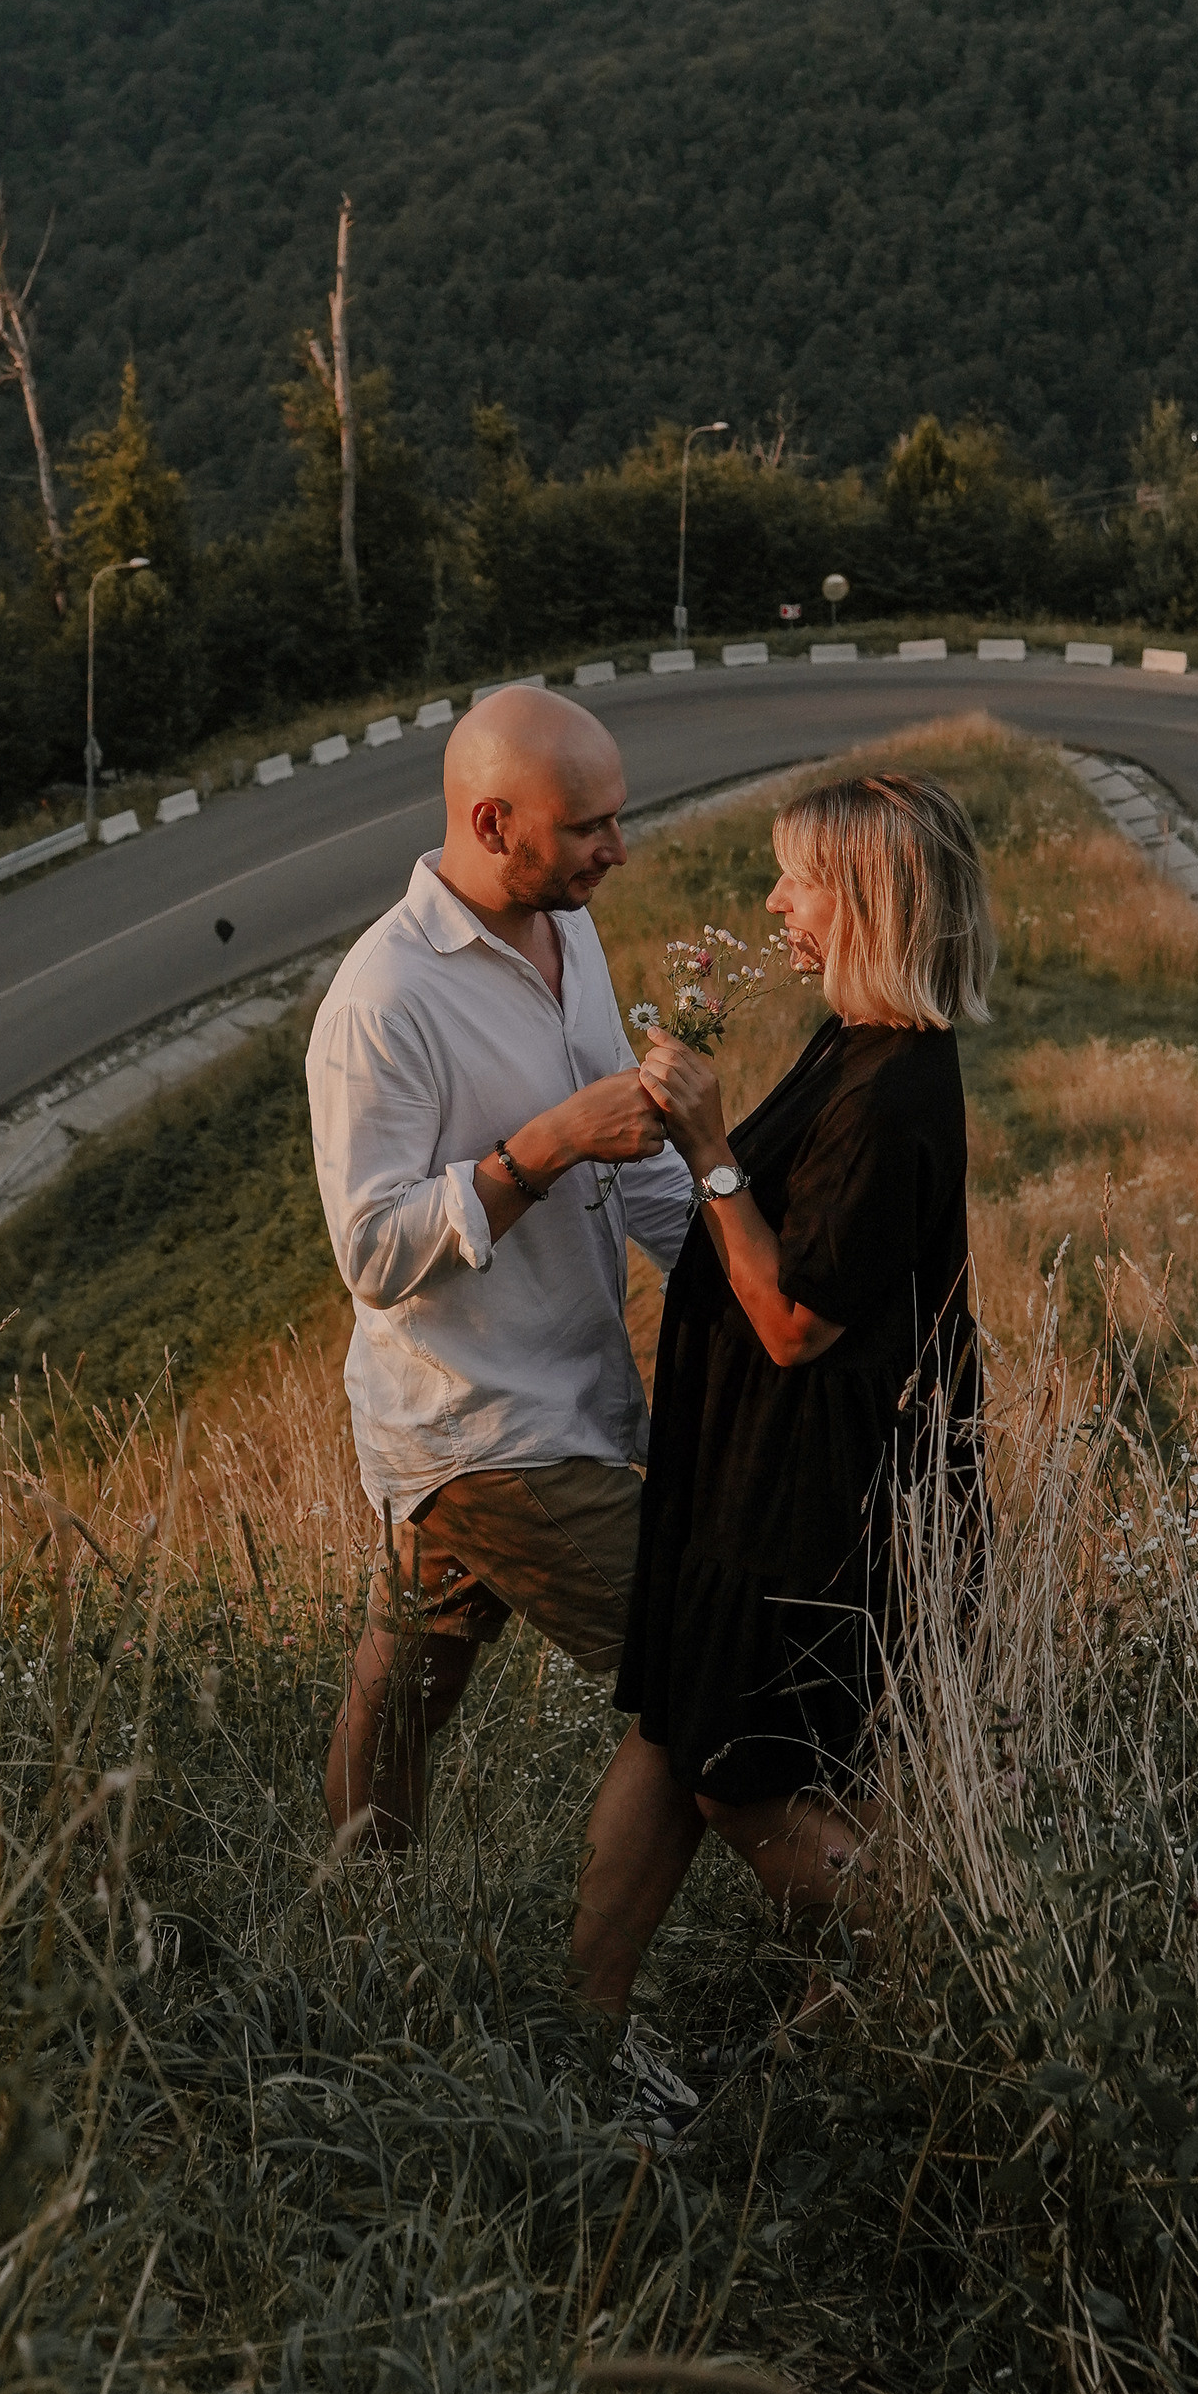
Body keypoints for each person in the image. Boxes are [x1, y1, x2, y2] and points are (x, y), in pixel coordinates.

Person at [305, 684, 704, 2117]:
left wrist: (751, 1270)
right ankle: (585, 2051)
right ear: (493, 825)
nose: (618, 848)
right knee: (697, 1676)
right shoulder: (384, 1002)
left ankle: (346, 1972)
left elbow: (637, 1152)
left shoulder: (569, 931)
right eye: (589, 825)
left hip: (572, 1387)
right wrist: (535, 1151)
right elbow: (369, 1250)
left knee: (406, 1682)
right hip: (483, 1424)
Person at [566, 773, 993, 2041]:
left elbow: (794, 1316)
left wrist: (709, 1151)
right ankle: (572, 2022)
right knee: (675, 1732)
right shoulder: (852, 1045)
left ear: (865, 900)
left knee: (742, 1776)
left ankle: (935, 1976)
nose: (774, 900)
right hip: (735, 1479)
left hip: (803, 1500)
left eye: (797, 879)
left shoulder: (895, 1090)